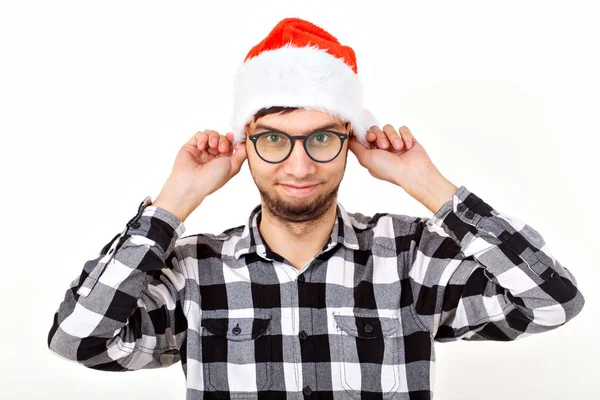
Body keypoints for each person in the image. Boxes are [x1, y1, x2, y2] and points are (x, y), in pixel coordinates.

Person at [47, 17, 585, 399]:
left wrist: (427, 183)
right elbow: (78, 339)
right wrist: (173, 202)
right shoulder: (194, 270)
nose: (300, 166)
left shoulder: (410, 257)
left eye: (321, 139)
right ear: (245, 143)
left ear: (350, 139)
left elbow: (553, 301)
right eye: (275, 140)